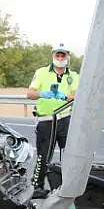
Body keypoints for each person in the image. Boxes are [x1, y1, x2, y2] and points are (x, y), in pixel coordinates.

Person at [27, 43, 80, 199]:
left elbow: (77, 96)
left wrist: (64, 97)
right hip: (46, 120)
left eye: (63, 55)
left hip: (64, 119)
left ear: (67, 57)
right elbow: (30, 94)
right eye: (57, 55)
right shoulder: (42, 72)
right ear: (53, 56)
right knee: (44, 155)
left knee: (69, 154)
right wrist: (44, 93)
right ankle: (37, 186)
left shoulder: (73, 76)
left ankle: (68, 185)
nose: (60, 58)